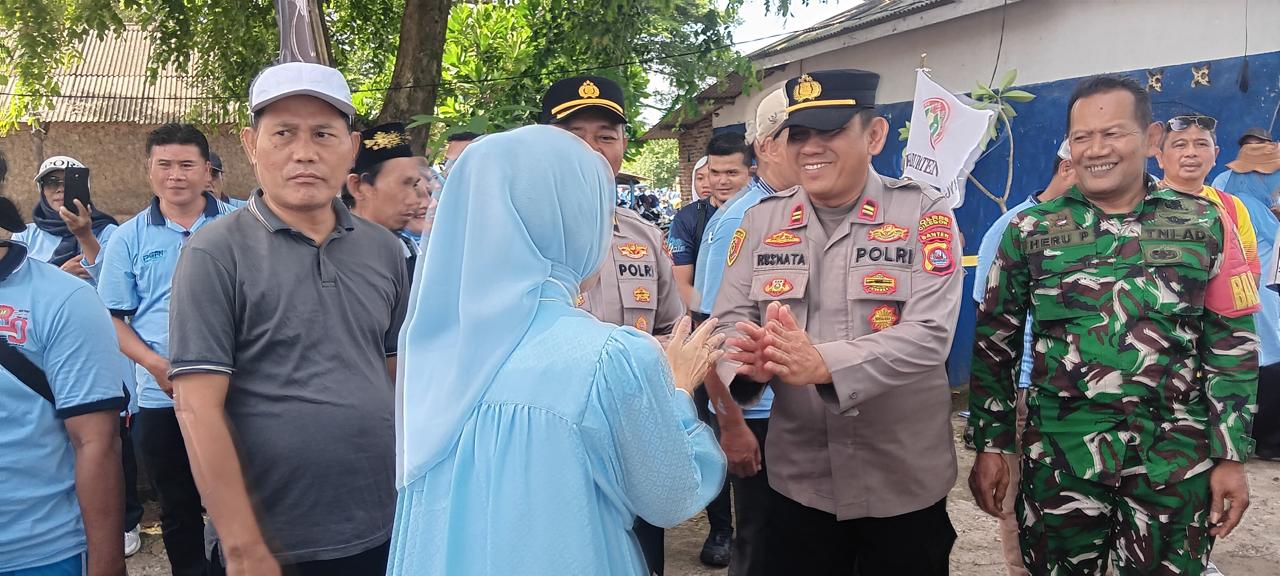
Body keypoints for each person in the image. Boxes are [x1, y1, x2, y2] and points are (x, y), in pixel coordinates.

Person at [385, 124, 727, 576]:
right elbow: (671, 497)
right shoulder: (609, 356)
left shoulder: (432, 348)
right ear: (574, 223)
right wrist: (679, 390)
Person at [969, 75, 1260, 575]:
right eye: (1082, 137)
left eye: (1113, 133)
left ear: (1151, 139)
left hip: (1173, 462)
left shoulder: (1204, 224)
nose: (1096, 149)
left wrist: (1231, 455)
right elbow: (995, 343)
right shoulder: (1032, 229)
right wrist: (990, 444)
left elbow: (1231, 346)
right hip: (1061, 461)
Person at [711, 69, 961, 574]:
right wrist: (746, 365)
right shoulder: (761, 221)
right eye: (798, 134)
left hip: (901, 482)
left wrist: (823, 364)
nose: (810, 147)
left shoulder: (923, 213)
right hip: (800, 483)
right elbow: (728, 324)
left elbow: (930, 335)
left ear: (874, 135)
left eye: (830, 131)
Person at [166, 61, 409, 575]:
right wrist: (243, 548)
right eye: (283, 133)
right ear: (251, 145)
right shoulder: (214, 254)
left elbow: (397, 376)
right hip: (274, 545)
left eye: (323, 134)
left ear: (351, 146)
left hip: (382, 524)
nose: (304, 152)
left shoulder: (384, 249)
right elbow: (196, 408)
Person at [540, 75, 686, 575]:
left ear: (624, 146)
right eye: (574, 134)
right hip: (549, 450)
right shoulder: (517, 234)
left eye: (606, 136)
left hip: (634, 446)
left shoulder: (643, 236)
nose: (592, 149)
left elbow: (673, 329)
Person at [97, 123, 228, 576]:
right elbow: (113, 318)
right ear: (149, 170)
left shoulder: (240, 224)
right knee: (178, 504)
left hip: (240, 390)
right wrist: (155, 364)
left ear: (207, 171)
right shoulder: (128, 237)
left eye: (187, 165)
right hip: (162, 396)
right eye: (165, 165)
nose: (176, 175)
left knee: (245, 496)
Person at [0, 153, 128, 576]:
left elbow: (96, 443)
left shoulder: (104, 241)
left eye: (66, 181)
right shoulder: (32, 232)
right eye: (50, 183)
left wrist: (86, 238)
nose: (58, 190)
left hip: (36, 551)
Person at [693, 85, 797, 576]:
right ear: (767, 147)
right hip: (760, 409)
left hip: (810, 407)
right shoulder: (743, 218)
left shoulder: (804, 208)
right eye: (798, 136)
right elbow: (711, 328)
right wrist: (730, 421)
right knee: (761, 537)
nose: (814, 148)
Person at [969, 145, 1075, 576]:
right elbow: (990, 320)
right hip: (1027, 390)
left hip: (1078, 397)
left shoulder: (1096, 225)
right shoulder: (1014, 227)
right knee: (1018, 503)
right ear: (1068, 168)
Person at [1154, 114, 1259, 270]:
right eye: (1180, 145)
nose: (1191, 153)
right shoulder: (1139, 203)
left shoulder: (1231, 207)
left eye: (1201, 144)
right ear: (1160, 157)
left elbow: (1250, 267)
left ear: (1215, 154)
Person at [669, 134, 752, 309]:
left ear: (750, 173)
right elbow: (682, 284)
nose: (722, 181)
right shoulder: (687, 218)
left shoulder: (765, 211)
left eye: (731, 173)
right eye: (715, 173)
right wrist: (708, 317)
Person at [13, 155, 118, 282]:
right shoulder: (25, 235)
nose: (61, 189)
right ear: (42, 190)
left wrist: (85, 236)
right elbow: (15, 283)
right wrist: (60, 275)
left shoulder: (109, 232)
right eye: (51, 182)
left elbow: (113, 280)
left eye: (70, 183)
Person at [343, 122, 426, 277]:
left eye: (414, 185)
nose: (414, 200)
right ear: (359, 186)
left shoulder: (408, 252)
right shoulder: (333, 258)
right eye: (403, 184)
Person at [1211, 127, 1280, 211]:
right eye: (1247, 145)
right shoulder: (1224, 179)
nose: (1253, 149)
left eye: (1259, 145)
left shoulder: (1276, 176)